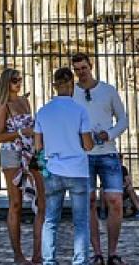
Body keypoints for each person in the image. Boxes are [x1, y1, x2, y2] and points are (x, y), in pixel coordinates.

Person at [71, 53, 129, 265]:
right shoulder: (71, 93)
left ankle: (113, 252)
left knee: (115, 201)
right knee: (88, 202)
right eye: (77, 69)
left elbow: (123, 119)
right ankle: (96, 252)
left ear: (91, 66)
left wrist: (110, 134)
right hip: (82, 155)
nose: (81, 72)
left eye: (83, 68)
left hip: (108, 151)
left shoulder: (108, 90)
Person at [34, 67, 94, 265]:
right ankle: (80, 261)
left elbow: (38, 146)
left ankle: (49, 261)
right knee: (80, 222)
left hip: (53, 170)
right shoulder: (80, 111)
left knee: (50, 220)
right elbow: (87, 144)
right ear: (71, 86)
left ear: (54, 85)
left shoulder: (43, 112)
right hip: (77, 170)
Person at [0, 67, 45, 265]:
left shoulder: (25, 101)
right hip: (12, 154)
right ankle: (18, 255)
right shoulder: (2, 106)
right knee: (15, 203)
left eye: (20, 79)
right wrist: (22, 132)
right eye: (15, 80)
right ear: (6, 83)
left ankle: (38, 254)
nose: (18, 83)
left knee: (41, 202)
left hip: (30, 152)